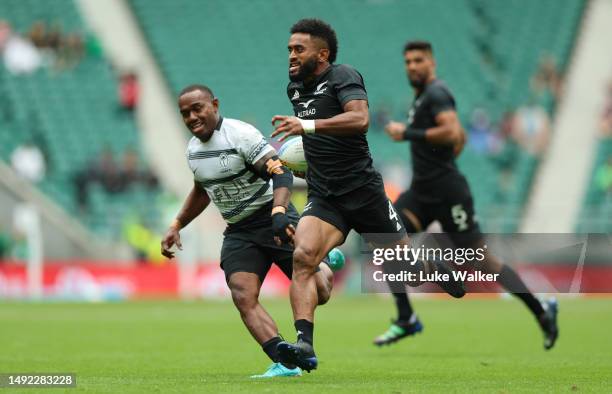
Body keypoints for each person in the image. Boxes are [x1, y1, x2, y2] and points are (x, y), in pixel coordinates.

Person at [271, 19, 465, 372]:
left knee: (408, 271)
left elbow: (359, 120)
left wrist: (308, 126)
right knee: (303, 256)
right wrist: (304, 159)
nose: (292, 56)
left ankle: (431, 265)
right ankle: (304, 346)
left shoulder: (344, 76)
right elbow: (318, 142)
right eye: (289, 50)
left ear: (323, 53)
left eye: (299, 49)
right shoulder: (295, 88)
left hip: (364, 193)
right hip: (326, 195)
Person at [379, 40, 558, 350]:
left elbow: (451, 133)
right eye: (407, 61)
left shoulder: (437, 93)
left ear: (432, 63)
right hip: (422, 191)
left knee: (484, 262)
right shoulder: (422, 98)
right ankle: (406, 317)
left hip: (449, 194)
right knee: (386, 238)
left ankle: (542, 313)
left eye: (418, 60)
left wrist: (407, 134)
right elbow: (457, 136)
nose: (412, 66)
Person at [161, 84, 344, 378]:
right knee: (242, 294)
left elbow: (281, 173)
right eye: (185, 113)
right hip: (239, 231)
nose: (192, 117)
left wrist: (279, 212)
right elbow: (203, 189)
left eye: (198, 109)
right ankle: (285, 363)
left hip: (273, 217)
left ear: (215, 105)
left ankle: (322, 258)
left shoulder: (240, 135)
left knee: (321, 292)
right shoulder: (193, 151)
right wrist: (177, 224)